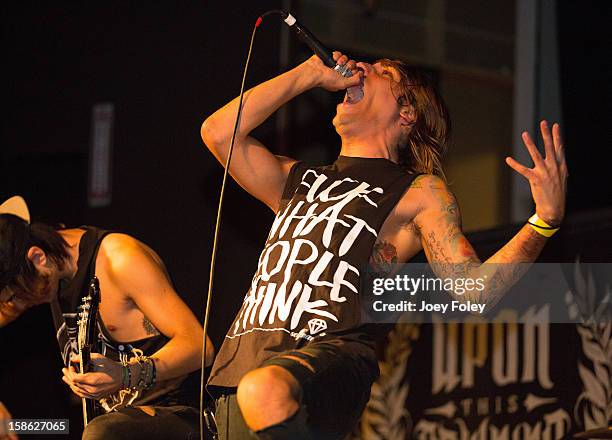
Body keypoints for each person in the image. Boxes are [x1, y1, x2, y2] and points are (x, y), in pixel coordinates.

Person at [200, 51, 567, 439]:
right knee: (255, 393)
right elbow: (219, 133)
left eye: (379, 72)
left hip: (331, 355)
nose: (360, 69)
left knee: (266, 391)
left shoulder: (418, 191)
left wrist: (543, 222)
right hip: (243, 365)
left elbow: (472, 291)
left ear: (406, 113)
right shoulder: (297, 179)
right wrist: (307, 73)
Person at [0, 196, 215, 440]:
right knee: (44, 428)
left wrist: (125, 375)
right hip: (107, 421)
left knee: (102, 433)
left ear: (37, 257)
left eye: (17, 295)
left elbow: (201, 347)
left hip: (179, 416)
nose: (15, 306)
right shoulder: (50, 269)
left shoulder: (120, 260)